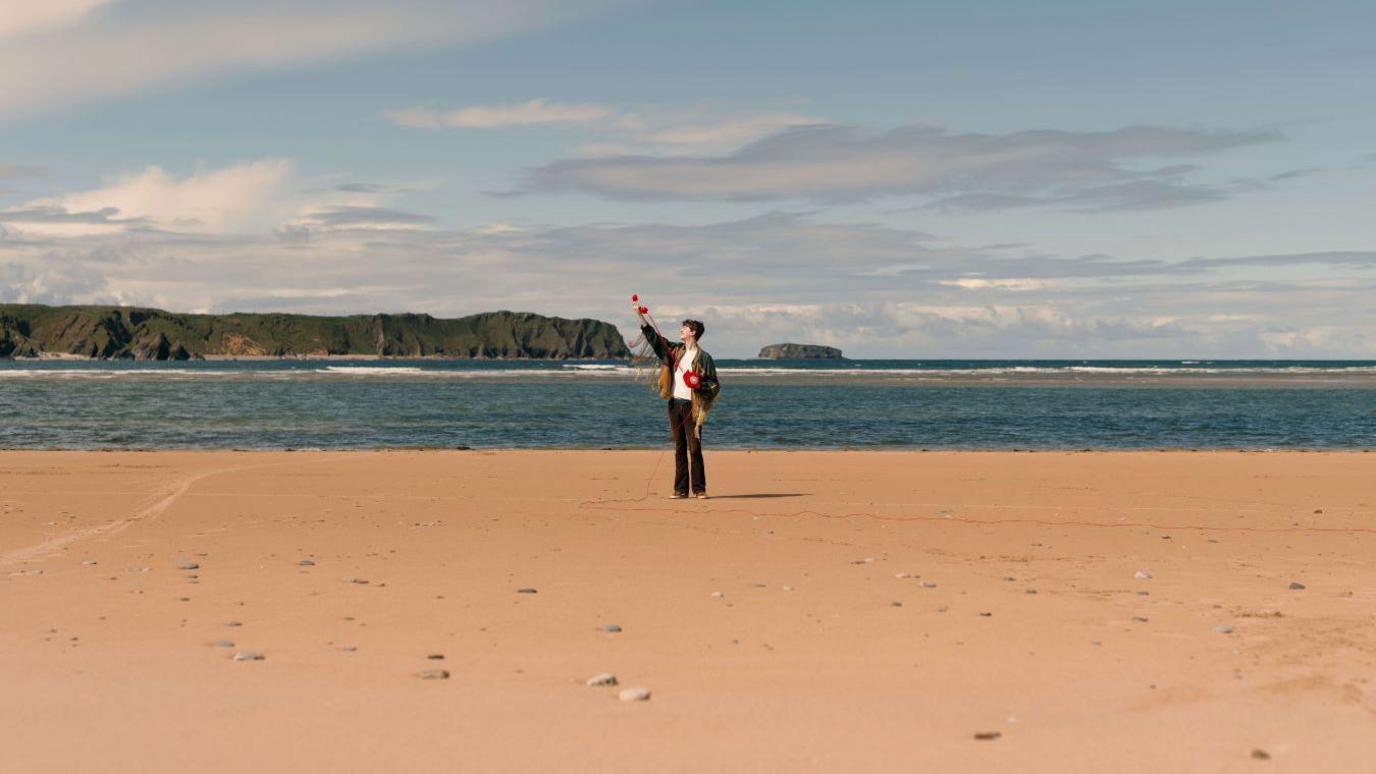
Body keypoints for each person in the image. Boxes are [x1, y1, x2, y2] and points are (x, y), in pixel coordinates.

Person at [634, 304, 720, 499]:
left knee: (694, 448)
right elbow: (656, 340)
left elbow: (714, 385)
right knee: (679, 447)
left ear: (693, 332)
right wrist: (641, 318)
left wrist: (698, 385)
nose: (681, 330)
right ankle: (680, 490)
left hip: (693, 406)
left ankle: (699, 489)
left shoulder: (704, 358)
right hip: (674, 404)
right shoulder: (675, 350)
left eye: (684, 328)